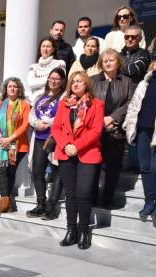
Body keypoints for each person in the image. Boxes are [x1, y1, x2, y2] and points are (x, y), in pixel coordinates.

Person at [51, 71, 104, 250]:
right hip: (66, 152)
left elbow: (96, 131)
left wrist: (77, 146)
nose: (75, 84)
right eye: (73, 82)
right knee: (71, 194)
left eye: (79, 81)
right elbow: (56, 127)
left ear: (86, 84)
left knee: (83, 193)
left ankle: (83, 231)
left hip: (87, 153)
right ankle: (71, 230)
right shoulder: (64, 104)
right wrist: (66, 144)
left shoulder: (97, 104)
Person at [91, 49, 135, 208]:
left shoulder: (127, 82)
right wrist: (99, 120)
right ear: (101, 63)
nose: (108, 63)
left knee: (113, 167)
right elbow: (86, 102)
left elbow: (131, 103)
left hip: (116, 131)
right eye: (105, 61)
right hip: (94, 131)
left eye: (112, 60)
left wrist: (112, 118)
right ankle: (92, 197)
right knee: (93, 166)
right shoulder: (93, 80)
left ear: (118, 62)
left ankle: (108, 198)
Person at [26, 68, 66, 220]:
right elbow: (31, 115)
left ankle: (52, 206)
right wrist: (37, 123)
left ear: (62, 81)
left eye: (57, 79)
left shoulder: (64, 97)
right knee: (37, 172)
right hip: (39, 137)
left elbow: (62, 116)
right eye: (51, 78)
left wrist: (46, 123)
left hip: (55, 137)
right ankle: (41, 203)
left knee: (57, 172)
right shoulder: (40, 96)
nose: (54, 81)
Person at [123, 51, 156, 220]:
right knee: (144, 167)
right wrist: (129, 124)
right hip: (143, 128)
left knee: (154, 166)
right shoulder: (145, 82)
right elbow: (134, 106)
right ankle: (149, 201)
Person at [0, 78, 30, 214]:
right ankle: (5, 202)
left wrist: (10, 138)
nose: (12, 88)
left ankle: (8, 205)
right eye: (10, 86)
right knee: (1, 170)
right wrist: (1, 137)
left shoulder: (24, 105)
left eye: (15, 86)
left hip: (17, 144)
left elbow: (25, 125)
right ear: (6, 89)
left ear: (19, 89)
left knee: (10, 172)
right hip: (1, 143)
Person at [28, 37, 66, 105]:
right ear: (40, 48)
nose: (45, 49)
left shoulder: (60, 63)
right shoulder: (33, 67)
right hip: (34, 102)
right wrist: (49, 78)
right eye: (43, 46)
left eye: (48, 47)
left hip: (52, 101)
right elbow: (31, 83)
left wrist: (38, 81)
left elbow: (59, 82)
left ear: (53, 49)